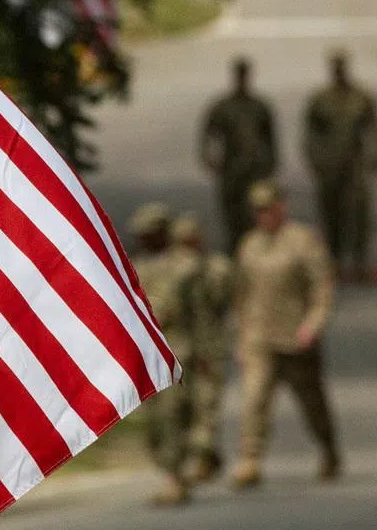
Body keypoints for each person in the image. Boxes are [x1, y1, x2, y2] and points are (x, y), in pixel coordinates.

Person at [233, 180, 341, 488]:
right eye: (258, 210)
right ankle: (250, 460)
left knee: (312, 403)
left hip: (296, 338)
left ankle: (328, 448)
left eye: (269, 208)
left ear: (282, 207)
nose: (264, 215)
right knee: (254, 400)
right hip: (259, 337)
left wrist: (313, 324)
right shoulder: (249, 245)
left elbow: (322, 288)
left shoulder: (303, 241)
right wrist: (241, 339)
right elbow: (242, 296)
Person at [128, 201, 196, 504]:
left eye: (149, 234)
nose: (144, 240)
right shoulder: (137, 267)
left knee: (172, 416)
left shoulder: (185, 266)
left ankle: (175, 477)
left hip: (177, 349)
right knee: (153, 422)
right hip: (145, 354)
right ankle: (173, 469)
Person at [302, 50, 377, 282]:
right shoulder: (320, 99)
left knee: (359, 212)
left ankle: (360, 261)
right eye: (335, 67)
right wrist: (314, 160)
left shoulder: (361, 97)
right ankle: (334, 260)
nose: (339, 71)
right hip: (329, 166)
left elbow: (375, 129)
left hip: (354, 165)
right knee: (331, 213)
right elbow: (310, 133)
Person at [171, 214, 234, 483]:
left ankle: (201, 457)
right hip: (183, 347)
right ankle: (206, 455)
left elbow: (224, 299)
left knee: (207, 404)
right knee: (186, 406)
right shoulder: (171, 268)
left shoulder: (216, 267)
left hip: (210, 346)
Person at [200, 58, 278, 254]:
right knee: (232, 216)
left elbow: (270, 137)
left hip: (255, 169)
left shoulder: (258, 106)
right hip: (232, 169)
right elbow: (208, 132)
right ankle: (235, 252)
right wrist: (209, 158)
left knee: (256, 212)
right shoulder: (224, 107)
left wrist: (270, 163)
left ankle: (255, 254)